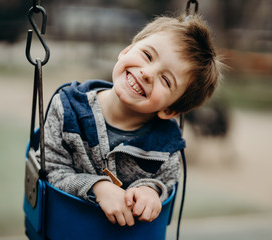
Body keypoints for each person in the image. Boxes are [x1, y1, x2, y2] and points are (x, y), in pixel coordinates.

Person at [40, 13, 222, 227]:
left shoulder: (166, 146)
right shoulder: (67, 108)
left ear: (170, 110)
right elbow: (51, 171)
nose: (148, 73)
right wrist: (97, 187)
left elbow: (166, 184)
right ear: (126, 51)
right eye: (147, 55)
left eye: (165, 79)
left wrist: (150, 191)